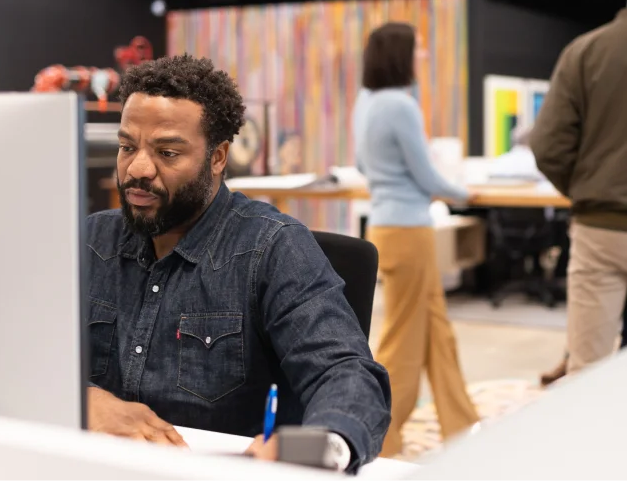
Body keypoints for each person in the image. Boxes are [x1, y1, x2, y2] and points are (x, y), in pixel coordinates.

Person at [86, 55, 391, 471]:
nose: (137, 169)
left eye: (168, 152)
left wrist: (316, 448)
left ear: (218, 157)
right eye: (127, 147)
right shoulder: (90, 241)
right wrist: (83, 400)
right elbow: (21, 351)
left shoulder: (273, 248)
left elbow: (346, 373)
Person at [352, 23, 479, 458]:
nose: (422, 57)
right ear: (400, 56)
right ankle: (381, 434)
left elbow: (363, 165)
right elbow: (425, 174)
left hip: (388, 226)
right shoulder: (399, 105)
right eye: (418, 50)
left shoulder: (365, 102)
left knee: (437, 335)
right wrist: (466, 194)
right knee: (404, 341)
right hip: (409, 231)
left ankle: (461, 426)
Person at [531, 0, 627, 376]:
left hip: (601, 231)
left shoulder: (584, 52)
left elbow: (547, 146)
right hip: (599, 220)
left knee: (588, 376)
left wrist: (592, 186)